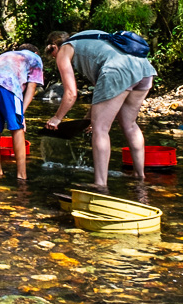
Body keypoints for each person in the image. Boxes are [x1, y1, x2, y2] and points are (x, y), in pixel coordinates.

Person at [43, 30, 158, 187]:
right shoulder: (89, 39)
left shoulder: (64, 49)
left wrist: (57, 118)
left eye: (53, 55)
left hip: (118, 70)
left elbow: (71, 93)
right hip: (143, 69)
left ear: (54, 47)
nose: (55, 58)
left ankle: (100, 184)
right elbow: (102, 91)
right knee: (130, 124)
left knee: (101, 129)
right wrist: (89, 117)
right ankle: (139, 176)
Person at [0, 44, 45, 180]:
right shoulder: (35, 58)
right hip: (7, 83)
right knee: (17, 128)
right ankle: (22, 175)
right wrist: (22, 115)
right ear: (36, 52)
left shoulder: (10, 55)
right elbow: (31, 88)